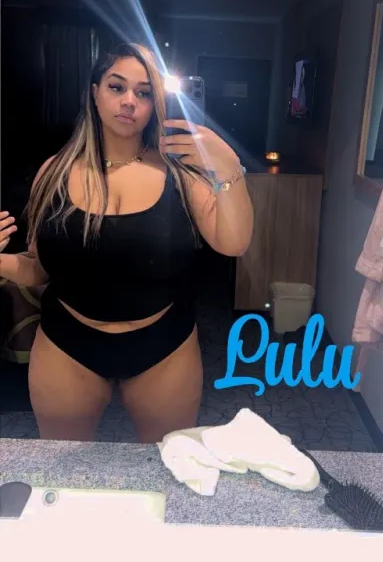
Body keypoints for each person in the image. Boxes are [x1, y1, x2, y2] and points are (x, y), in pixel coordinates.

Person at [0, 43, 254, 443]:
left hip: (163, 345)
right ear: (95, 92)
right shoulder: (54, 172)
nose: (129, 101)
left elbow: (234, 243)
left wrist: (228, 166)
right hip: (68, 344)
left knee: (165, 463)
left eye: (144, 92)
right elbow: (38, 269)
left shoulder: (180, 175)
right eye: (117, 87)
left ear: (155, 105)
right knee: (64, 467)